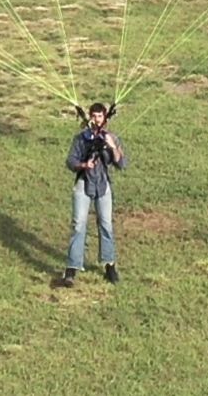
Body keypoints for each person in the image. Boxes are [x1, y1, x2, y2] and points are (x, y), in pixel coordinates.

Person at [63, 102, 127, 286]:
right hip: (84, 183)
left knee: (106, 224)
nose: (96, 119)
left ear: (105, 118)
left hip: (102, 186)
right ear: (90, 117)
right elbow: (70, 161)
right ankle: (72, 268)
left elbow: (121, 164)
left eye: (100, 116)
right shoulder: (81, 139)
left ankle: (109, 265)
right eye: (94, 116)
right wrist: (84, 165)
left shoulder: (111, 138)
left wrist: (112, 147)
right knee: (78, 224)